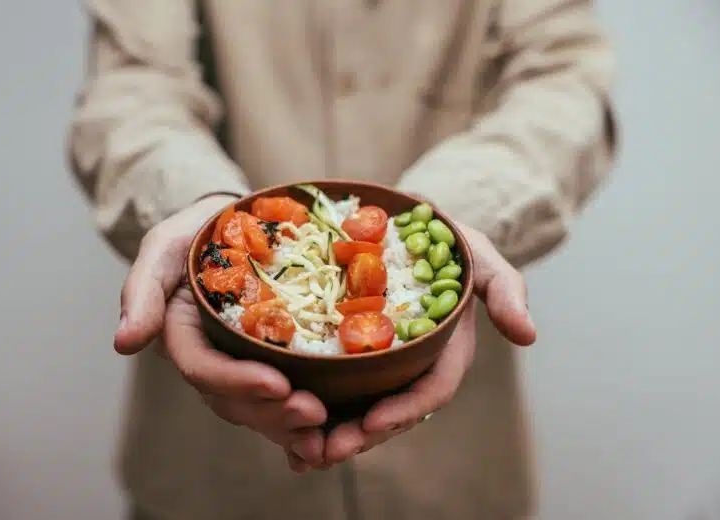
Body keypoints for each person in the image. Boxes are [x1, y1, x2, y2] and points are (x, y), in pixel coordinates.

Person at [66, 1, 618, 519]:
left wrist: (440, 225)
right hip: (212, 473)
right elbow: (132, 87)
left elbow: (565, 81)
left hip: (454, 470)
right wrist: (197, 208)